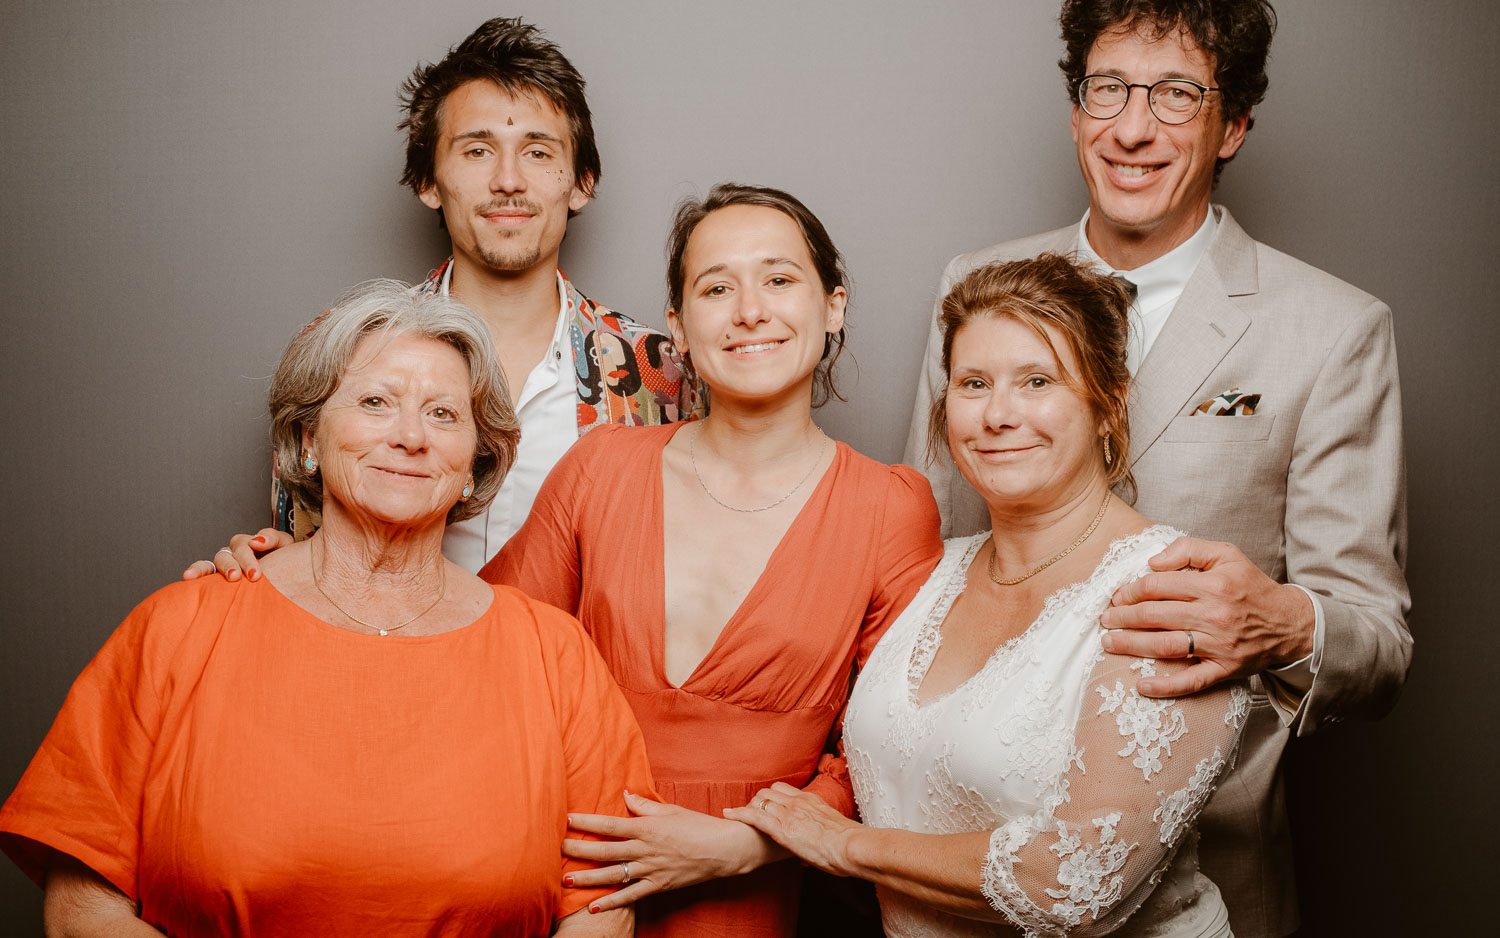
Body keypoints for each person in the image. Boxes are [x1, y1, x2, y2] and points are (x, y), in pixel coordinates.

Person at [903, 3, 1411, 936]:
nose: (1133, 129)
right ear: (1075, 109)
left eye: (1178, 95)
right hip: (954, 870)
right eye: (1109, 90)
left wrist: (1279, 620)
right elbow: (915, 562)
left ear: (1234, 125)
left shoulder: (1333, 331)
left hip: (1204, 876)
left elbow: (1376, 646)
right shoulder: (973, 284)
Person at [0, 282, 654, 936]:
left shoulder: (553, 654)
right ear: (308, 439)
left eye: (444, 415)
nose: (409, 436)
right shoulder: (178, 628)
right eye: (376, 402)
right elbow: (81, 906)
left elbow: (603, 910)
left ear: (474, 464)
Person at [732, 254, 1249, 937]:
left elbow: (1074, 881)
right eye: (974, 383)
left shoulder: (1173, 596)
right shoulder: (930, 571)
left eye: (1037, 381)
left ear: (1107, 403)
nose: (998, 414)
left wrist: (846, 847)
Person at [481, 183, 944, 937]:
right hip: (572, 882)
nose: (749, 310)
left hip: (756, 898)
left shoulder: (891, 507)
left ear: (833, 306)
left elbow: (897, 744)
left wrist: (744, 847)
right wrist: (298, 573)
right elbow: (480, 641)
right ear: (680, 327)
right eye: (717, 287)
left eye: (779, 279)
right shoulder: (600, 470)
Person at [188, 16, 700, 579]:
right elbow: (301, 552)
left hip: (581, 666)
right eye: (477, 151)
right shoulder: (344, 352)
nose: (509, 180)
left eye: (537, 152)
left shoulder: (660, 372)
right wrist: (255, 564)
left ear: (580, 182)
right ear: (428, 182)